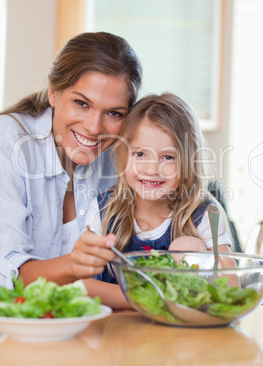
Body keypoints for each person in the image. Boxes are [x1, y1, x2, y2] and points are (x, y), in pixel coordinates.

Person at [0, 31, 142, 308]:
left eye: (114, 113)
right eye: (82, 103)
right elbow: (8, 277)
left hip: (93, 330)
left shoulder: (121, 155)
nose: (93, 127)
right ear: (53, 93)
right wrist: (73, 265)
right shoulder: (8, 143)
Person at [85, 93, 233, 290]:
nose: (151, 169)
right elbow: (85, 285)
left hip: (179, 319)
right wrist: (148, 300)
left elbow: (231, 285)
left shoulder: (204, 214)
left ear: (189, 162)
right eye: (139, 154)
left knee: (187, 247)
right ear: (123, 156)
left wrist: (199, 265)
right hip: (116, 320)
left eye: (168, 157)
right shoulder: (103, 210)